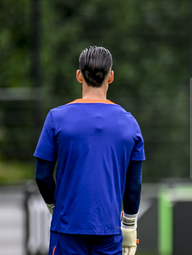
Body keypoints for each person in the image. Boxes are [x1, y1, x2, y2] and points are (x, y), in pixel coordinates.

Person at [34, 46, 145, 255]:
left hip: (66, 230)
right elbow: (134, 183)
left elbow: (42, 175)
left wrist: (54, 207)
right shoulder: (129, 124)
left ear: (78, 75)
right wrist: (129, 225)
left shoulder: (56, 118)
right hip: (109, 231)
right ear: (111, 76)